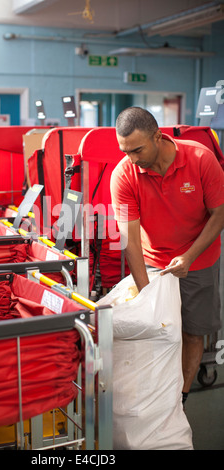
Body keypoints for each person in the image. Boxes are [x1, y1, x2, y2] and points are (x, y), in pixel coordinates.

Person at [110, 106, 224, 404]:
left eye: (137, 149)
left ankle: (181, 397)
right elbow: (130, 238)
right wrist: (145, 291)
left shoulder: (201, 159)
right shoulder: (123, 175)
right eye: (125, 151)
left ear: (157, 137)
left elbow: (219, 214)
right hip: (153, 261)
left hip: (199, 259)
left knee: (192, 331)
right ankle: (156, 391)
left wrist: (189, 256)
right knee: (156, 330)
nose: (132, 158)